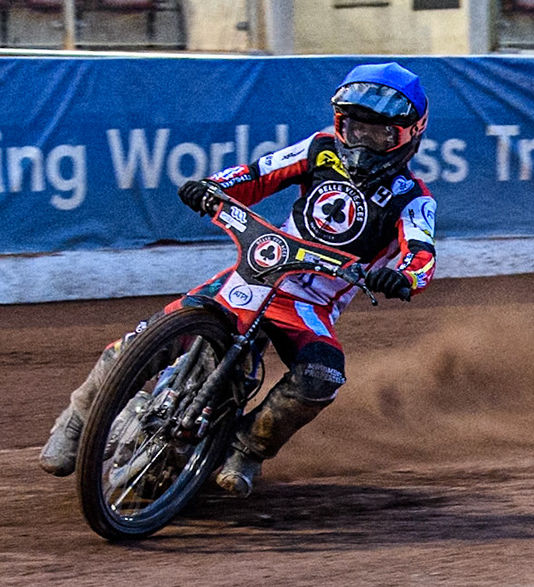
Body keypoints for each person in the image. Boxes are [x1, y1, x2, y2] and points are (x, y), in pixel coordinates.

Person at [38, 62, 435, 497]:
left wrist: (402, 278)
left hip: (309, 304)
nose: (363, 141)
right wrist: (212, 186)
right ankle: (77, 421)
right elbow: (257, 174)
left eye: (380, 133)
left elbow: (421, 252)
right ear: (340, 123)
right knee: (145, 339)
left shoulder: (413, 197)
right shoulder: (319, 149)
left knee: (322, 375)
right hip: (258, 269)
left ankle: (245, 450)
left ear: (410, 134)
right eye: (355, 127)